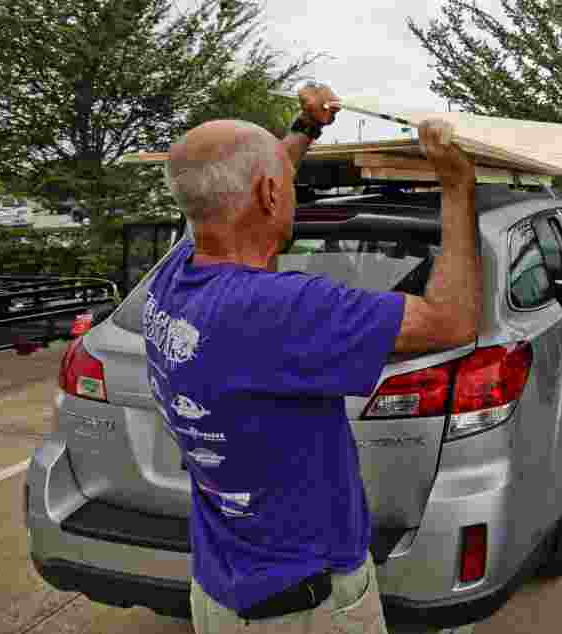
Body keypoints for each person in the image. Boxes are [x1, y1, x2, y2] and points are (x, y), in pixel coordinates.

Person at [144, 82, 481, 633]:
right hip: (306, 610)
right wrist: (456, 186)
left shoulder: (173, 276)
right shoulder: (278, 310)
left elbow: (245, 189)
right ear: (271, 195)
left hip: (219, 595)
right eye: (283, 184)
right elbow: (452, 322)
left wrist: (305, 129)